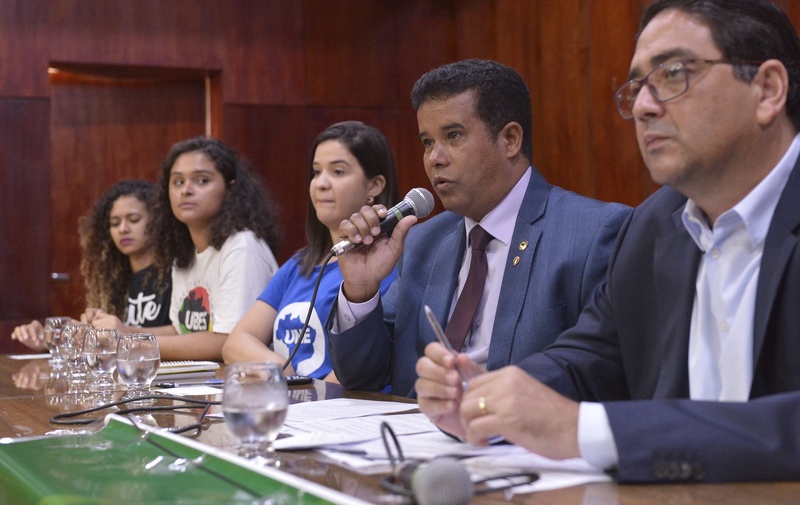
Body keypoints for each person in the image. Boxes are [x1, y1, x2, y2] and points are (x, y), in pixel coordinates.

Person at [415, 0, 800, 484]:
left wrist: (588, 430)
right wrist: (487, 397)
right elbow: (592, 357)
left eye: (674, 74)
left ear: (767, 89)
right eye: (637, 87)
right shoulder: (655, 225)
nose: (644, 107)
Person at [327, 59, 631, 396]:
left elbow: (604, 374)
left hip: (517, 425)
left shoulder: (593, 233)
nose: (435, 158)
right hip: (419, 425)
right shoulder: (424, 242)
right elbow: (363, 378)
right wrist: (361, 290)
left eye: (453, 136)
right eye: (427, 142)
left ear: (510, 139)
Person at [222, 121, 400, 381]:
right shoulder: (299, 264)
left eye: (338, 171)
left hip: (338, 402)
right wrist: (280, 370)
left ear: (374, 186)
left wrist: (308, 394)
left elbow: (365, 368)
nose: (321, 183)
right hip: (290, 398)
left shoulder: (386, 262)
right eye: (316, 172)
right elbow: (236, 343)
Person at [127, 136, 281, 361]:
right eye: (178, 182)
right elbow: (182, 332)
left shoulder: (242, 246)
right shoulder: (184, 253)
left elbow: (226, 342)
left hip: (249, 379)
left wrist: (132, 344)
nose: (186, 190)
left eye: (202, 180)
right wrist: (121, 333)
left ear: (230, 189)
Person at [11, 179, 171, 350]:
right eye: (114, 223)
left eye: (133, 219)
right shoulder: (112, 279)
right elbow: (108, 342)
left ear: (156, 220)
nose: (123, 229)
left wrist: (124, 332)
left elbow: (183, 332)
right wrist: (50, 340)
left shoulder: (175, 273)